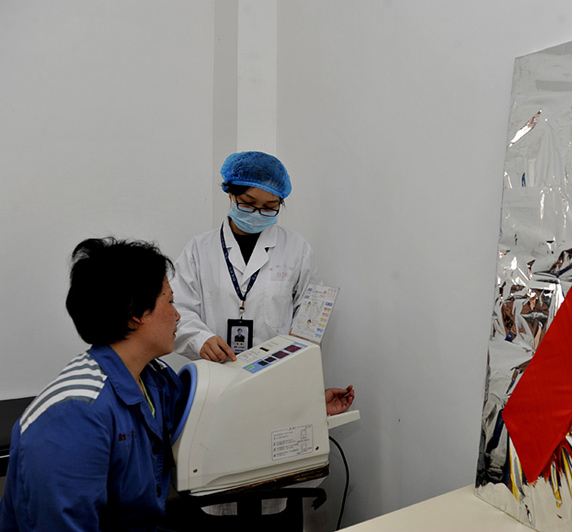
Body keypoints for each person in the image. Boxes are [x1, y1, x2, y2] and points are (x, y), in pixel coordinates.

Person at [0, 238, 185, 532]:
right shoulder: (75, 414)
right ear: (136, 310)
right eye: (170, 301)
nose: (177, 315)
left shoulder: (155, 380)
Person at [172, 151, 353, 413]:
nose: (258, 213)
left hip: (278, 380)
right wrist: (200, 339)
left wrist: (297, 355)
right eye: (248, 203)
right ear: (230, 194)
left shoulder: (296, 249)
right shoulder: (199, 250)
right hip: (216, 379)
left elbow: (310, 314)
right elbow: (177, 309)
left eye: (270, 207)